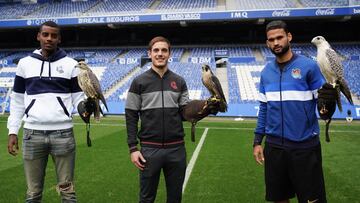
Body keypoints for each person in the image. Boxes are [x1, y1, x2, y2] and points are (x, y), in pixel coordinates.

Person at [252, 20, 337, 203]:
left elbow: (323, 110)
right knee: (279, 199)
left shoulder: (309, 66)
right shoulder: (266, 72)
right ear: (267, 43)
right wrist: (258, 141)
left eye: (279, 37)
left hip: (304, 148)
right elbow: (264, 109)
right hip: (274, 149)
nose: (276, 43)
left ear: (289, 37)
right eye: (271, 39)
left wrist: (328, 106)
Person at [7, 21, 84, 203]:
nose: (49, 39)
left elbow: (78, 98)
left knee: (68, 193)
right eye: (46, 35)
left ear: (59, 39)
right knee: (33, 194)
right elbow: (17, 100)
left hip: (63, 134)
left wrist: (85, 108)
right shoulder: (24, 64)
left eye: (54, 35)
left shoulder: (71, 65)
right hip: (32, 134)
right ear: (39, 36)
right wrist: (12, 131)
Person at [126, 36, 192, 203]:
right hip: (149, 150)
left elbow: (185, 113)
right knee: (147, 199)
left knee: (175, 198)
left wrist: (203, 110)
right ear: (150, 53)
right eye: (156, 50)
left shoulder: (179, 81)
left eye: (164, 50)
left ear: (169, 54)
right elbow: (131, 115)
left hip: (176, 150)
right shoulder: (138, 82)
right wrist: (133, 148)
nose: (160, 54)